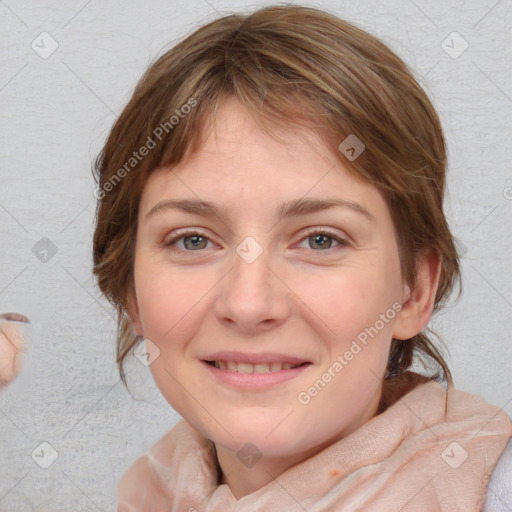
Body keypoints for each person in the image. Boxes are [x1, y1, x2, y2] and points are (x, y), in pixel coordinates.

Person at [91, 5, 512, 510]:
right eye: (193, 240)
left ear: (414, 291)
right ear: (130, 289)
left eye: (320, 240)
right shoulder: (142, 494)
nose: (248, 305)